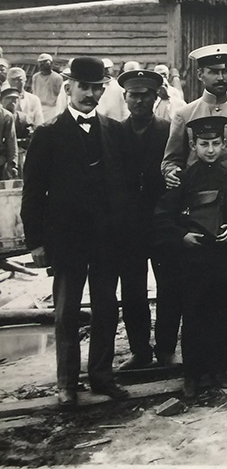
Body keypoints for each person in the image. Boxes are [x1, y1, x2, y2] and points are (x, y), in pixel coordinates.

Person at [22, 57, 131, 408]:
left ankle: (101, 376)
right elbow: (33, 192)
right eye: (84, 87)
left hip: (107, 241)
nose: (90, 94)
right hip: (67, 241)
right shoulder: (49, 134)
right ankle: (67, 383)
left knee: (105, 309)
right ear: (68, 87)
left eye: (97, 87)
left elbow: (124, 187)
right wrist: (36, 241)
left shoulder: (115, 132)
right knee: (67, 313)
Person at [155, 115, 227, 400]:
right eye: (204, 144)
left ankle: (220, 368)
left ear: (224, 144)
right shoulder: (183, 179)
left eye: (215, 143)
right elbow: (162, 217)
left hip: (224, 260)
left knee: (224, 313)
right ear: (193, 145)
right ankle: (192, 374)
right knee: (195, 315)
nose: (210, 149)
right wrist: (181, 236)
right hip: (194, 262)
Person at [116, 69, 174, 371]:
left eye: (145, 95)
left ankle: (166, 349)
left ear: (156, 97)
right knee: (132, 289)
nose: (139, 101)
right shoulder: (114, 132)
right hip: (129, 226)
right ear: (125, 98)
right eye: (134, 95)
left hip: (162, 222)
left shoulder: (169, 129)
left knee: (169, 286)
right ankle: (140, 351)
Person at [161, 44, 227, 193]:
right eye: (214, 72)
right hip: (196, 197)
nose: (221, 78)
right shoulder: (184, 114)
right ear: (200, 74)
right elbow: (171, 160)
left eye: (225, 71)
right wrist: (171, 173)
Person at [30, 53, 63, 121]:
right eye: (40, 62)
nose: (42, 64)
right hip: (38, 107)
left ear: (51, 63)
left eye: (45, 62)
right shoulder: (35, 77)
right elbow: (34, 91)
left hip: (51, 108)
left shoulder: (57, 77)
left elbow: (60, 95)